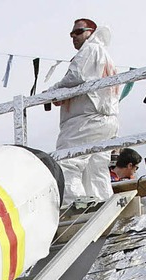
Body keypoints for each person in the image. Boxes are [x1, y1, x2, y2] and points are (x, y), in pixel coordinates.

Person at [51, 19, 119, 205]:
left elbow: (75, 77)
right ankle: (102, 205)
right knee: (95, 169)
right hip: (103, 120)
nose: (73, 36)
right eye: (72, 33)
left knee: (67, 162)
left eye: (78, 31)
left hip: (84, 120)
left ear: (91, 32)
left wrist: (52, 93)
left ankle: (75, 206)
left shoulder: (90, 50)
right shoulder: (104, 55)